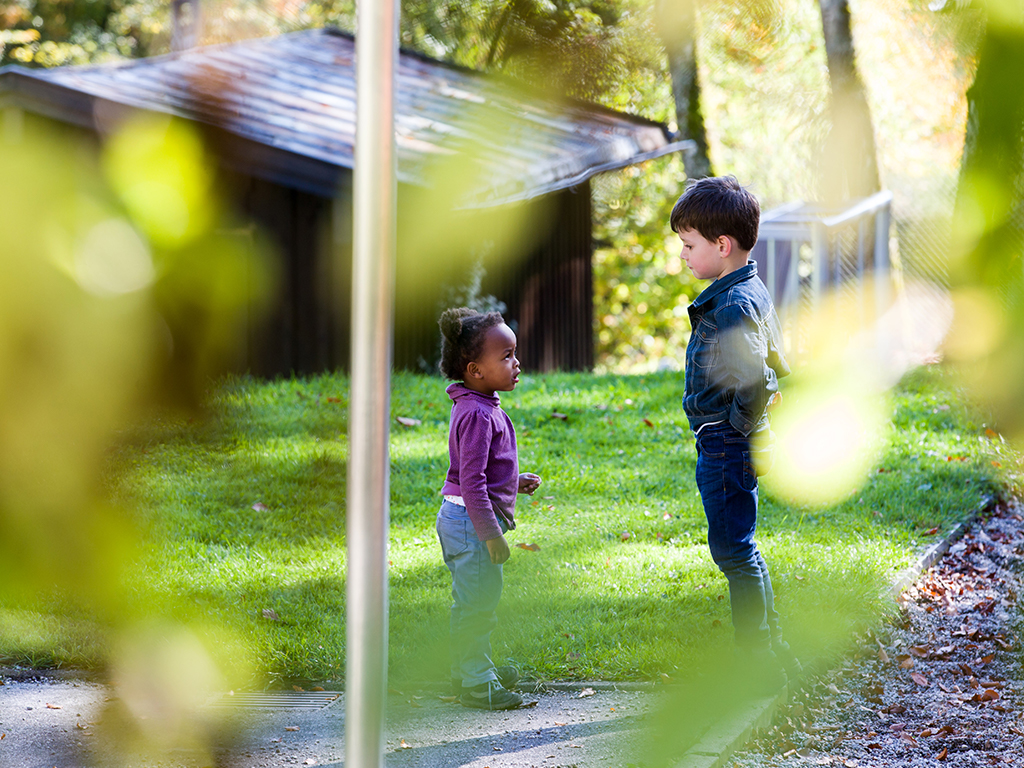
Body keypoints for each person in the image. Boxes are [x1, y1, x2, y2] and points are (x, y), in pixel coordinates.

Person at [670, 175, 800, 691]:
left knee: (733, 550)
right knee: (740, 547)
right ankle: (768, 647)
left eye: (688, 244)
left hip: (724, 440)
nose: (683, 255)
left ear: (721, 246)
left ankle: (758, 658)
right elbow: (770, 368)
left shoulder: (731, 305)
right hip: (728, 438)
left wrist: (752, 433)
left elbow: (751, 378)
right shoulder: (748, 288)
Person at [436, 307, 542, 710]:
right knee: (479, 605)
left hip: (462, 517)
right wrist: (492, 536)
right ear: (475, 370)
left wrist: (513, 482)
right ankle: (479, 683)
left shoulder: (476, 405)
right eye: (506, 356)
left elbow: (473, 471)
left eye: (514, 353)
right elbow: (474, 483)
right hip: (472, 522)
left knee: (469, 602)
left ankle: (467, 670)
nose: (517, 363)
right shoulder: (479, 414)